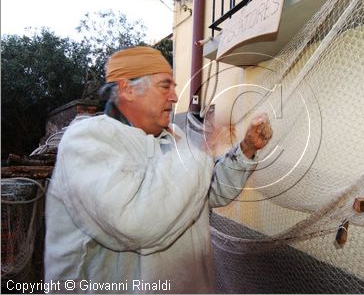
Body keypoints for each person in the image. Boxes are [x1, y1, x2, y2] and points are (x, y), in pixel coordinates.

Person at [44, 46, 273, 293]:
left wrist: (246, 149)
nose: (175, 97)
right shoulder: (88, 141)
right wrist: (204, 152)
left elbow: (209, 192)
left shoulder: (174, 138)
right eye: (165, 86)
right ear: (127, 89)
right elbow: (135, 222)